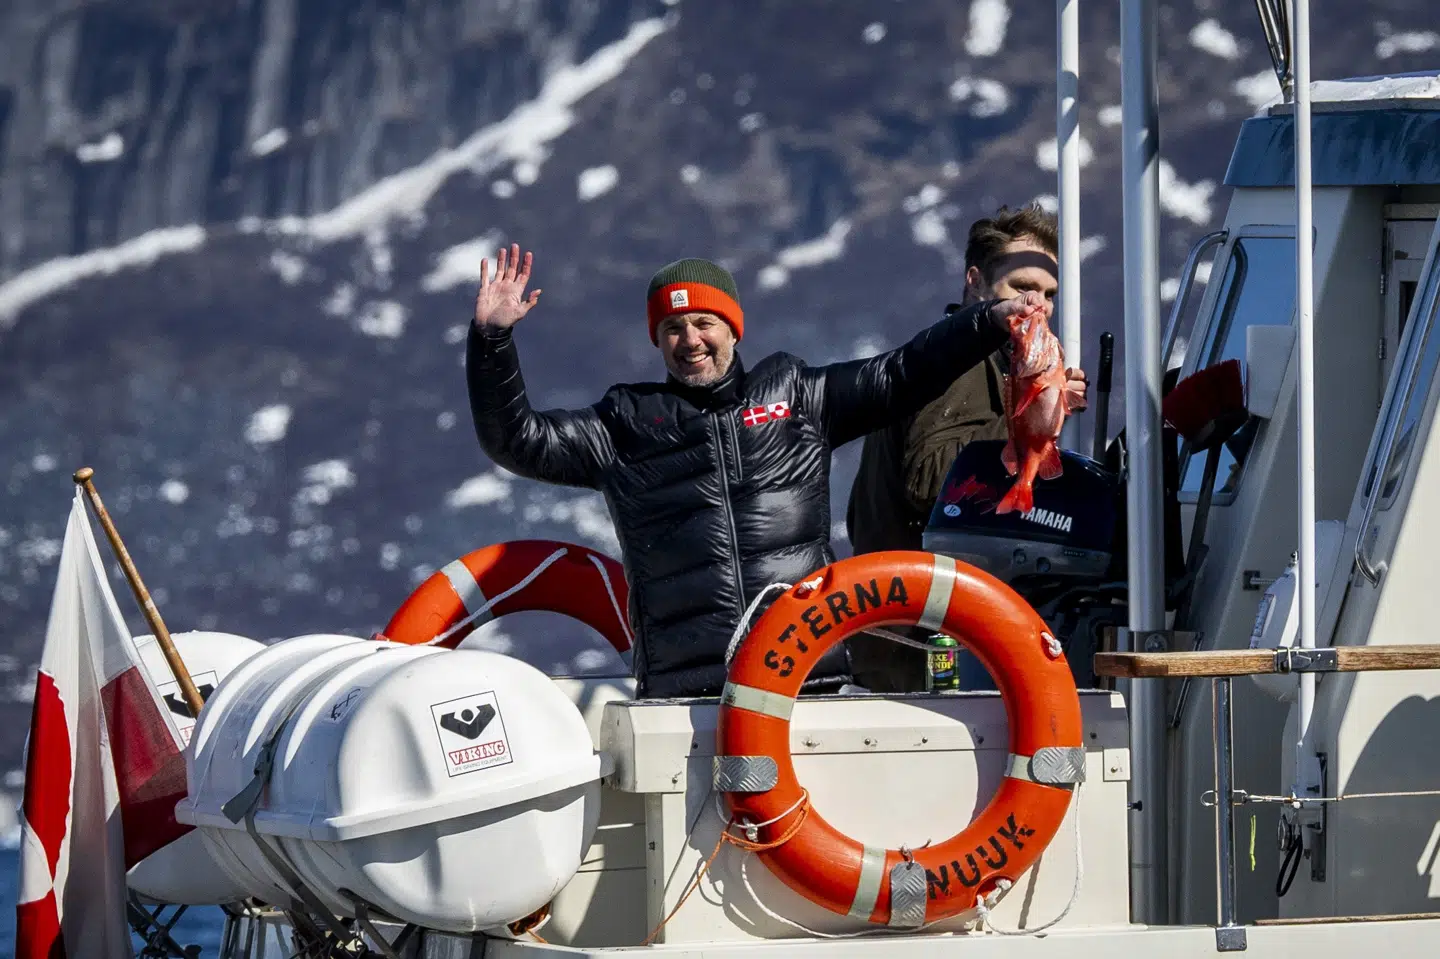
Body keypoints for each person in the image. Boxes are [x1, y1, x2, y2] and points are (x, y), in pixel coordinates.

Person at [466, 243, 1047, 698]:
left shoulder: (797, 396)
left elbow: (903, 373)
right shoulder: (624, 425)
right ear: (658, 341)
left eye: (703, 323)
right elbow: (518, 440)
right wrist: (492, 340)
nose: (689, 341)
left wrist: (989, 322)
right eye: (672, 329)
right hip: (687, 698)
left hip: (805, 684)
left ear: (732, 327)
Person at [844, 204, 1088, 692]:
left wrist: (1039, 406)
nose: (1036, 303)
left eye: (1048, 293)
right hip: (917, 654)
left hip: (924, 638)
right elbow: (928, 480)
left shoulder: (993, 362)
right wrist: (1024, 426)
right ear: (976, 282)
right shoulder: (956, 363)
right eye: (1022, 287)